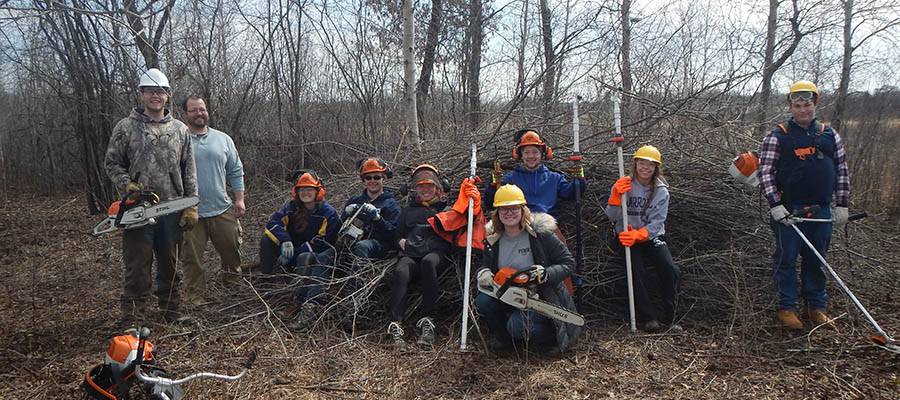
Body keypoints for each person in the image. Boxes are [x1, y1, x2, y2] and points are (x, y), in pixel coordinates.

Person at [104, 68, 198, 327]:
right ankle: (134, 316)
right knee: (137, 266)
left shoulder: (180, 129)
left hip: (172, 207)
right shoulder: (126, 127)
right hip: (138, 210)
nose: (155, 96)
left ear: (167, 96)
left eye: (160, 91)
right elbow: (112, 163)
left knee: (171, 264)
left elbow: (189, 169)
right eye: (150, 91)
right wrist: (127, 185)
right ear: (141, 94)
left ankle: (172, 310)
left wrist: (192, 204)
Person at [759, 80, 850, 330]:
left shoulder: (829, 135)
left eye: (807, 105)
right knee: (786, 259)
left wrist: (842, 203)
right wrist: (775, 205)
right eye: (797, 105)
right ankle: (786, 308)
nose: (802, 110)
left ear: (815, 104)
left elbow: (841, 169)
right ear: (790, 106)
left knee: (816, 259)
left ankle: (816, 307)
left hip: (821, 209)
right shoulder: (778, 136)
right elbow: (765, 172)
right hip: (790, 211)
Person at [475, 184, 581, 354]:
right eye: (504, 209)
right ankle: (505, 340)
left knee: (517, 327)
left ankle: (550, 337)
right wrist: (484, 273)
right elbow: (486, 265)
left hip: (540, 296)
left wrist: (545, 274)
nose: (509, 213)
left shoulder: (540, 234)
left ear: (522, 209)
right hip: (508, 293)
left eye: (514, 208)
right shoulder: (493, 239)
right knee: (483, 301)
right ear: (497, 212)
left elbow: (568, 263)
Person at [385, 164, 480, 348]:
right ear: (415, 189)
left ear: (438, 187)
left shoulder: (447, 209)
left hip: (436, 253)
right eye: (421, 186)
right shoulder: (407, 210)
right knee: (401, 270)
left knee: (428, 263)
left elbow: (462, 226)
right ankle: (395, 323)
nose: (425, 190)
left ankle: (428, 321)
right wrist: (400, 242)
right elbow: (396, 235)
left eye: (429, 186)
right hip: (411, 253)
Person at [604, 145, 681, 333]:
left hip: (650, 237)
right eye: (641, 163)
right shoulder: (623, 184)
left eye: (650, 165)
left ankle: (670, 317)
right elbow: (612, 216)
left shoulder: (662, 191)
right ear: (635, 164)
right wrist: (615, 197)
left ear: (656, 168)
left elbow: (657, 222)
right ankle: (649, 318)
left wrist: (640, 234)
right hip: (625, 237)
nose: (645, 168)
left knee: (670, 269)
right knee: (636, 270)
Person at [179, 95, 246, 305]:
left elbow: (235, 170)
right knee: (192, 260)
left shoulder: (222, 139)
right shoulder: (179, 139)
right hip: (190, 211)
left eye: (202, 109)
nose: (199, 113)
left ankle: (233, 290)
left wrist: (239, 199)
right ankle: (196, 299)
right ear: (185, 114)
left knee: (232, 252)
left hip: (222, 208)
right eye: (194, 110)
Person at [259, 171, 340, 331]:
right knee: (266, 240)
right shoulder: (291, 208)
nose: (305, 193)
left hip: (312, 255)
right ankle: (267, 281)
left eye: (309, 189)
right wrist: (285, 241)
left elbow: (322, 242)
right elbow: (273, 223)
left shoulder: (327, 213)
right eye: (302, 189)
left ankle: (299, 299)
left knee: (304, 256)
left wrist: (294, 252)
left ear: (318, 191)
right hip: (291, 251)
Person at [484, 129, 586, 240]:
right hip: (518, 228)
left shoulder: (555, 178)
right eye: (526, 152)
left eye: (535, 152)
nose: (531, 156)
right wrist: (493, 185)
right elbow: (490, 204)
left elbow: (573, 195)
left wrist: (579, 179)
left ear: (543, 154)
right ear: (519, 155)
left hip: (547, 229)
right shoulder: (509, 180)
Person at [339, 157, 402, 329]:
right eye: (368, 178)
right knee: (328, 254)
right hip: (351, 244)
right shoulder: (354, 201)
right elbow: (340, 228)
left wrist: (377, 219)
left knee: (361, 247)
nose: (372, 181)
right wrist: (347, 214)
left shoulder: (391, 204)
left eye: (377, 177)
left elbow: (394, 235)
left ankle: (354, 307)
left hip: (378, 246)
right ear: (363, 180)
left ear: (384, 179)